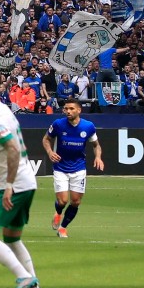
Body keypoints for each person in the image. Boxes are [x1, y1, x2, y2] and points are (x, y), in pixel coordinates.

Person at [0, 70, 45, 288]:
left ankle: (23, 277)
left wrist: (8, 185)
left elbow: (13, 149)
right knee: (12, 237)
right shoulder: (4, 111)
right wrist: (2, 181)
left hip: (17, 185)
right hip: (26, 183)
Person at [42, 99, 104, 239]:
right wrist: (50, 152)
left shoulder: (88, 126)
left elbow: (96, 145)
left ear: (79, 110)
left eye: (71, 108)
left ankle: (63, 228)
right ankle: (58, 213)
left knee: (75, 201)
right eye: (66, 109)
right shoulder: (58, 124)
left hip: (79, 167)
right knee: (63, 201)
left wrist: (98, 157)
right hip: (60, 167)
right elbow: (46, 139)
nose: (68, 111)